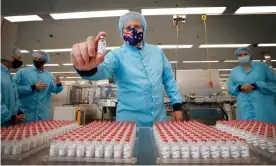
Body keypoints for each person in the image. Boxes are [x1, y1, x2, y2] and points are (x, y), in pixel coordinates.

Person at [71, 11, 184, 126]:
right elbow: (101, 71)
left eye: (137, 27)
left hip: (158, 120)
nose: (133, 30)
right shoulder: (117, 55)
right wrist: (86, 68)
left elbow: (169, 80)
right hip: (128, 123)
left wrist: (177, 107)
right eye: (128, 27)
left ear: (143, 29)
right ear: (122, 32)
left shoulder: (157, 52)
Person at [228, 47, 276, 123]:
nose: (243, 56)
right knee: (247, 129)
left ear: (250, 55)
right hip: (244, 105)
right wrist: (240, 88)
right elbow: (230, 88)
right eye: (240, 55)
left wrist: (256, 86)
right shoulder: (234, 71)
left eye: (245, 54)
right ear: (237, 57)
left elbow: (274, 83)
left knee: (266, 129)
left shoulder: (262, 67)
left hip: (262, 105)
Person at [13, 51, 63, 122]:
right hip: (26, 114)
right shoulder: (22, 73)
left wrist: (58, 84)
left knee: (43, 132)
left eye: (40, 59)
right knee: (25, 132)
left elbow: (55, 90)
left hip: (43, 115)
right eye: (35, 58)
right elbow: (14, 89)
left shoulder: (49, 76)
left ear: (45, 61)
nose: (37, 60)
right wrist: (33, 87)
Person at [1, 48, 25, 126]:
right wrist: (11, 117)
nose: (20, 61)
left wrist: (19, 111)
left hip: (9, 123)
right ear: (9, 57)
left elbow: (15, 97)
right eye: (18, 58)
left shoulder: (8, 75)